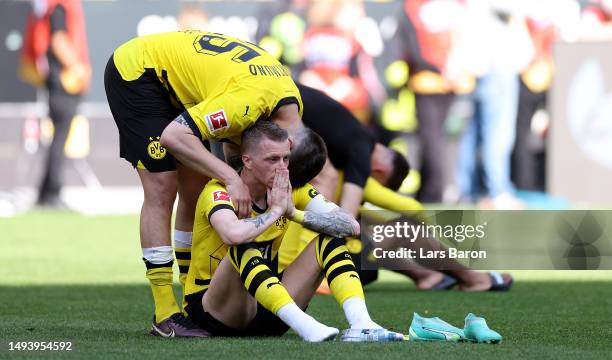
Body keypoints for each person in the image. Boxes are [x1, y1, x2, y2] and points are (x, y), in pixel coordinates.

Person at [104, 31, 307, 337]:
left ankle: (190, 297)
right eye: (276, 165)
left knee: (196, 187)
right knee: (162, 186)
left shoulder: (289, 110)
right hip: (139, 74)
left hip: (182, 84)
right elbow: (174, 136)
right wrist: (231, 177)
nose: (280, 172)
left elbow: (236, 145)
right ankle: (164, 314)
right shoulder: (248, 102)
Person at [184, 121, 400, 342]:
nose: (282, 167)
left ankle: (362, 324)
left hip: (267, 306)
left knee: (328, 239)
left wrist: (294, 213)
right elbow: (233, 234)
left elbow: (350, 225)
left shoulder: (291, 189)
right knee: (242, 244)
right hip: (215, 313)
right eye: (272, 159)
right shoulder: (217, 191)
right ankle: (304, 325)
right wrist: (276, 211)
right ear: (247, 160)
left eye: (286, 158)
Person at [285, 84, 512, 292]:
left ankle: (428, 276)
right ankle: (474, 279)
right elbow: (408, 208)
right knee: (400, 228)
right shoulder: (353, 164)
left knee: (370, 224)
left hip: (304, 260)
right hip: (318, 268)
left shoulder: (329, 151)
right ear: (380, 172)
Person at [20, 0, 91, 207]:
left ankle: (45, 193)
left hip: (58, 81)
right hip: (64, 81)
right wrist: (78, 69)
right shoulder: (61, 5)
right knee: (59, 140)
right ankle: (52, 193)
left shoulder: (53, 6)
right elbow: (58, 40)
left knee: (58, 139)